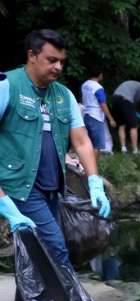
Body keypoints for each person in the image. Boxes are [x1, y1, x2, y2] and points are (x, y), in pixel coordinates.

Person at [0, 29, 111, 272]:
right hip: (21, 188)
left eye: (61, 61)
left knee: (38, 253)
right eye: (52, 60)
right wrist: (3, 202)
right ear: (32, 55)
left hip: (53, 189)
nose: (59, 67)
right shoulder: (7, 86)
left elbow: (81, 141)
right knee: (57, 250)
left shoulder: (64, 96)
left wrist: (94, 182)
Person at [80, 65, 116, 160]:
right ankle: (92, 168)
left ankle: (85, 164)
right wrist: (111, 119)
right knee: (97, 145)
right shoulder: (98, 88)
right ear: (100, 75)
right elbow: (103, 105)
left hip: (86, 116)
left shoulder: (85, 85)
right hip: (96, 117)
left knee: (89, 143)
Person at [111, 80, 140, 154]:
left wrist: (137, 114)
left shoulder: (135, 87)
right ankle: (135, 150)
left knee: (122, 125)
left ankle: (123, 149)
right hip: (124, 99)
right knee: (134, 126)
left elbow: (129, 108)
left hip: (115, 98)